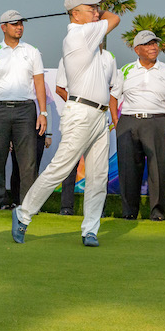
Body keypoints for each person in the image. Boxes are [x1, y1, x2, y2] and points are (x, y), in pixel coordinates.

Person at [11, 0, 119, 247]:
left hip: (99, 115)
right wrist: (98, 15)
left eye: (96, 7)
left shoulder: (89, 36)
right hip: (81, 112)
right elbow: (114, 17)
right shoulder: (79, 35)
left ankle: (90, 229)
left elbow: (107, 17)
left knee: (98, 175)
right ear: (74, 14)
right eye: (90, 8)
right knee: (60, 167)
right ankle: (23, 214)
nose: (96, 11)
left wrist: (90, 11)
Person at [110, 31, 165, 221]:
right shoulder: (125, 70)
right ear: (137, 49)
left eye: (155, 44)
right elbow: (113, 97)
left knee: (158, 168)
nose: (153, 47)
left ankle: (157, 213)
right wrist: (116, 122)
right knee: (128, 169)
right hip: (129, 121)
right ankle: (129, 212)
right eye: (148, 44)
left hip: (157, 121)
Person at [0, 10, 47, 213]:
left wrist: (43, 112)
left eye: (21, 24)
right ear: (3, 27)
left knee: (27, 161)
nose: (19, 27)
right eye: (15, 24)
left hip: (25, 110)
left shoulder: (32, 51)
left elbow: (39, 83)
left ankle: (28, 205)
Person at [54, 49, 117, 215]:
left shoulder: (108, 57)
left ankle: (97, 209)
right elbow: (60, 88)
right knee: (69, 164)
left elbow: (111, 89)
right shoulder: (68, 56)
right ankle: (66, 207)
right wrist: (80, 105)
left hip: (98, 119)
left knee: (98, 166)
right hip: (75, 119)